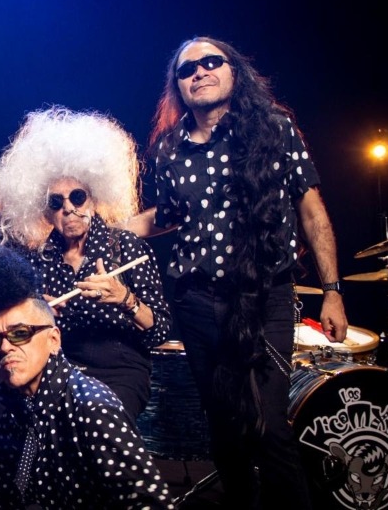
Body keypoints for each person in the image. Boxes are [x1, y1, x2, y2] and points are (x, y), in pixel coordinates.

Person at [127, 36, 349, 509]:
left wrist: (332, 290)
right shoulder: (169, 148)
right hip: (195, 301)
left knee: (268, 427)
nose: (200, 72)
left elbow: (312, 213)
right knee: (224, 428)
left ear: (234, 70)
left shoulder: (273, 129)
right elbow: (166, 216)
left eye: (211, 62)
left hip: (263, 295)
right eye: (187, 69)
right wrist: (106, 228)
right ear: (177, 85)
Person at [0, 235, 175, 509]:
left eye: (20, 333)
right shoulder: (16, 409)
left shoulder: (91, 409)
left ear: (54, 340)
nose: (6, 347)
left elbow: (151, 503)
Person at [0, 106, 172, 421]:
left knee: (96, 418)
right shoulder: (38, 261)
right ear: (45, 211)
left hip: (119, 371)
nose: (68, 208)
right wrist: (38, 312)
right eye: (56, 202)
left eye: (78, 197)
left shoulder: (126, 247)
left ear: (94, 198)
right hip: (59, 371)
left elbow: (160, 330)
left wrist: (125, 299)